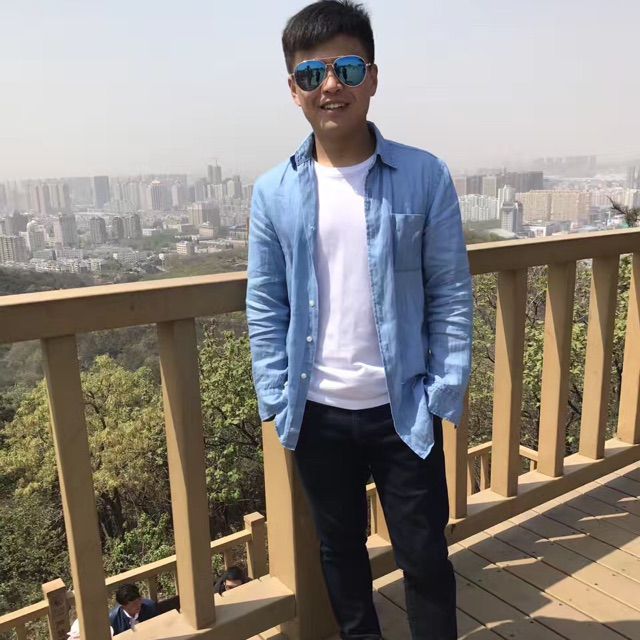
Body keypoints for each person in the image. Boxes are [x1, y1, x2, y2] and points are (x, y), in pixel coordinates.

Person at [246, 1, 472, 639]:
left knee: (425, 556)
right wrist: (276, 396)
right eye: (311, 74)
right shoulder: (273, 192)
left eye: (346, 68)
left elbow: (451, 290)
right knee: (340, 556)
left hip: (404, 408)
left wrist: (442, 391)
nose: (330, 86)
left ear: (372, 77)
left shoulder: (424, 175)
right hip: (316, 411)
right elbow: (265, 304)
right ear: (293, 89)